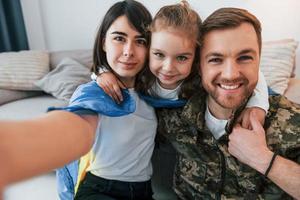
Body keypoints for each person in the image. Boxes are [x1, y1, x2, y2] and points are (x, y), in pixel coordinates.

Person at [0, 1, 158, 200]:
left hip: (143, 191)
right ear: (103, 42)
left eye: (140, 41)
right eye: (119, 38)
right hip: (100, 189)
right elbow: (79, 127)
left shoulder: (154, 92)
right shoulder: (91, 92)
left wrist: (100, 72)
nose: (129, 51)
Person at [156, 7, 300, 199]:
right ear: (199, 66)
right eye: (216, 59)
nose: (231, 74)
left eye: (245, 58)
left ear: (259, 60)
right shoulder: (173, 114)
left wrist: (264, 159)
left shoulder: (293, 122)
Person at [94, 1, 269, 130]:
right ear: (148, 49)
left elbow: (254, 73)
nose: (168, 67)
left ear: (196, 58)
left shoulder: (200, 78)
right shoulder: (143, 72)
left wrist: (258, 104)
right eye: (159, 54)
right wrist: (101, 73)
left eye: (182, 58)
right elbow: (116, 69)